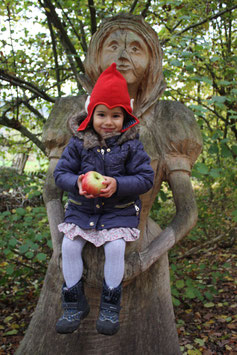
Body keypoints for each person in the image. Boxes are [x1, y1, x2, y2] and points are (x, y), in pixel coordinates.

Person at [53, 62, 154, 336]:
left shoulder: (131, 145)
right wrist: (77, 182)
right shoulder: (78, 143)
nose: (108, 122)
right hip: (82, 210)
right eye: (101, 114)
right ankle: (74, 303)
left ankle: (110, 307)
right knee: (70, 246)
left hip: (117, 211)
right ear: (90, 114)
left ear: (125, 118)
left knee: (115, 248)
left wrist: (118, 184)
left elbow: (146, 179)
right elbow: (60, 173)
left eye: (115, 116)